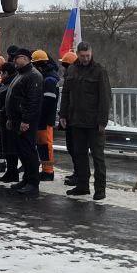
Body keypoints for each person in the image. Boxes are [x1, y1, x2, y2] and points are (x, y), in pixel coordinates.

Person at [59, 42, 112, 201]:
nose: (85, 58)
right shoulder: (72, 70)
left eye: (88, 55)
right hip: (76, 121)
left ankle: (100, 189)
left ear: (91, 53)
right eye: (82, 56)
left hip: (94, 123)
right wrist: (63, 114)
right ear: (78, 54)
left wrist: (102, 121)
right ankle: (82, 186)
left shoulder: (99, 71)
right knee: (79, 155)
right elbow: (66, 94)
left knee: (98, 157)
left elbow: (105, 98)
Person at [3, 49, 44, 195]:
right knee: (21, 151)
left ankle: (33, 182)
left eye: (17, 58)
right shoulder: (21, 74)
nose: (14, 60)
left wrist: (26, 120)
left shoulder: (33, 76)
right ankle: (26, 179)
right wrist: (10, 118)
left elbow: (33, 101)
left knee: (28, 151)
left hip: (25, 121)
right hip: (16, 120)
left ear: (26, 58)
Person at [31, 50, 60, 182]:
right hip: (43, 117)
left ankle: (48, 172)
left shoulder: (49, 79)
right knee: (43, 145)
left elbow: (48, 101)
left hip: (45, 118)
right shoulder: (48, 76)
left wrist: (40, 114)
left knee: (46, 145)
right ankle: (46, 170)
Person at [0, 59, 21, 183]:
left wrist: (4, 111)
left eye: (2, 73)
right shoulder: (7, 83)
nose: (0, 76)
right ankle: (10, 171)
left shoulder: (12, 84)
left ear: (6, 73)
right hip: (5, 119)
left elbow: (10, 102)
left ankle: (12, 172)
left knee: (11, 147)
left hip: (9, 120)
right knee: (7, 146)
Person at [59, 51, 80, 187]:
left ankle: (79, 175)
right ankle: (77, 173)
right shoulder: (70, 77)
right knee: (72, 147)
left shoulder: (76, 78)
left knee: (76, 149)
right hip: (70, 117)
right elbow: (65, 99)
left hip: (76, 118)